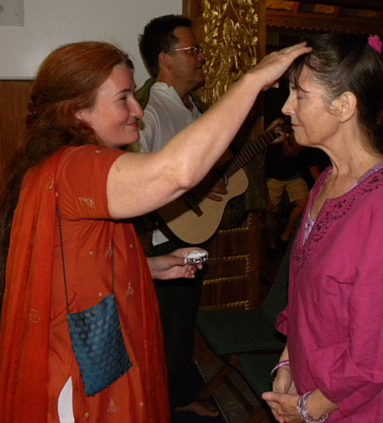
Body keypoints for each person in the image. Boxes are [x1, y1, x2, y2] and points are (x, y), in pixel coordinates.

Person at [0, 40, 310, 422]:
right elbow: (176, 174)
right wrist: (251, 81)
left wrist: (150, 265)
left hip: (93, 347)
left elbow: (71, 258)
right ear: (76, 112)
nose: (137, 109)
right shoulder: (77, 165)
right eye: (123, 99)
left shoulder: (66, 162)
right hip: (78, 363)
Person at [262, 34, 383, 422]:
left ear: (344, 106)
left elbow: (379, 351)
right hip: (318, 384)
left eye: (300, 94)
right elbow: (306, 297)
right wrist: (288, 363)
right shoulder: (328, 180)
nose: (287, 107)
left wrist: (309, 410)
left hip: (371, 407)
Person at [135, 15, 224, 418]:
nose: (202, 57)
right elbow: (137, 177)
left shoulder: (191, 108)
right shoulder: (151, 111)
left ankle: (182, 393)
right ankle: (169, 404)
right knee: (168, 326)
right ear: (165, 60)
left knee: (183, 320)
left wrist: (206, 184)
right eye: (193, 50)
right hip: (163, 241)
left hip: (192, 229)